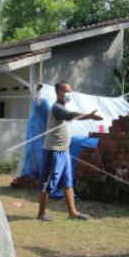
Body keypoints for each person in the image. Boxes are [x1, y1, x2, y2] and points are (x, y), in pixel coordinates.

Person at [37, 82, 102, 221]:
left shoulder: (63, 107)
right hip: (53, 151)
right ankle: (41, 213)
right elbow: (69, 115)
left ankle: (73, 213)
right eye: (65, 91)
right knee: (48, 183)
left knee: (68, 182)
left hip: (64, 151)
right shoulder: (56, 108)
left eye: (70, 92)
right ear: (58, 92)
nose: (68, 94)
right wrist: (89, 116)